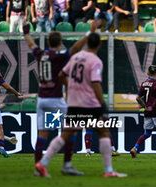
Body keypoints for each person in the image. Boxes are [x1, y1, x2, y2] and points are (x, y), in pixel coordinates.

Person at [35, 32, 127, 178]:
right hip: (89, 103)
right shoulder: (95, 60)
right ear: (99, 44)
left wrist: (70, 89)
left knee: (65, 135)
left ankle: (43, 163)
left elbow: (61, 75)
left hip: (73, 102)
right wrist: (102, 104)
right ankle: (108, 170)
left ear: (87, 43)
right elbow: (95, 83)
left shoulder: (75, 57)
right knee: (103, 132)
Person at [23, 21, 99, 176]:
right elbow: (76, 48)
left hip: (42, 100)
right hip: (55, 99)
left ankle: (38, 167)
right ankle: (67, 164)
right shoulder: (58, 56)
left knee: (42, 133)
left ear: (49, 42)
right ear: (60, 43)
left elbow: (31, 45)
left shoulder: (41, 54)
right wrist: (88, 34)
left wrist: (26, 33)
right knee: (74, 128)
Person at [130, 65, 156, 158]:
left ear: (148, 73)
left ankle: (135, 148)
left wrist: (145, 106)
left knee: (147, 133)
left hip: (147, 111)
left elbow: (137, 98)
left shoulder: (143, 84)